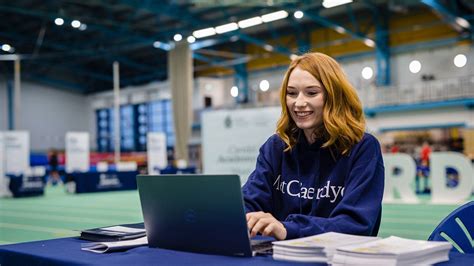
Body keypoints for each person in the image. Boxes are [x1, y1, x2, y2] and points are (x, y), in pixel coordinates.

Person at [242, 52, 385, 241]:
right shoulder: (276, 147)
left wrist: (288, 228)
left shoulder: (363, 148)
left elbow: (355, 224)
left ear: (333, 96)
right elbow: (249, 201)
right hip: (281, 257)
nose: (299, 103)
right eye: (291, 93)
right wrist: (243, 217)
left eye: (312, 93)